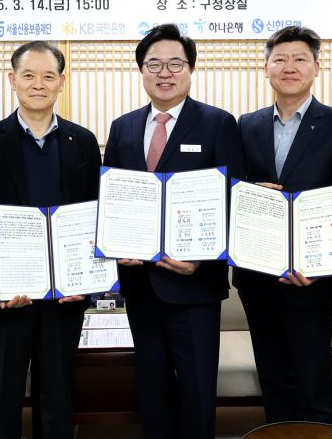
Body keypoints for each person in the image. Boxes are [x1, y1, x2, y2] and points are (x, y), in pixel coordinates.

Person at [102, 23, 244, 439]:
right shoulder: (123, 127)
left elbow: (233, 199)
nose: (164, 73)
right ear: (141, 71)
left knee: (197, 388)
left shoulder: (218, 123)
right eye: (154, 64)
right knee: (151, 385)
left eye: (175, 64)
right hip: (140, 283)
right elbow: (113, 197)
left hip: (194, 284)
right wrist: (115, 244)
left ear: (190, 69)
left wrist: (202, 259)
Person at [232, 26, 332, 423]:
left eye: (299, 59)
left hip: (312, 279)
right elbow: (231, 187)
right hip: (258, 274)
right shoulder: (247, 125)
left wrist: (317, 264)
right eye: (280, 59)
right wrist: (247, 190)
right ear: (266, 68)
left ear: (316, 67)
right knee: (273, 379)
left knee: (313, 383)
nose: (289, 66)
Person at [0, 40, 101, 439]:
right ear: (12, 80)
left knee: (57, 402)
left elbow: (95, 217)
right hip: (7, 300)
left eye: (48, 76)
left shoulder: (83, 141)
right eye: (28, 75)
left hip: (64, 301)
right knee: (4, 402)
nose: (38, 84)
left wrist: (85, 283)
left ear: (62, 81)